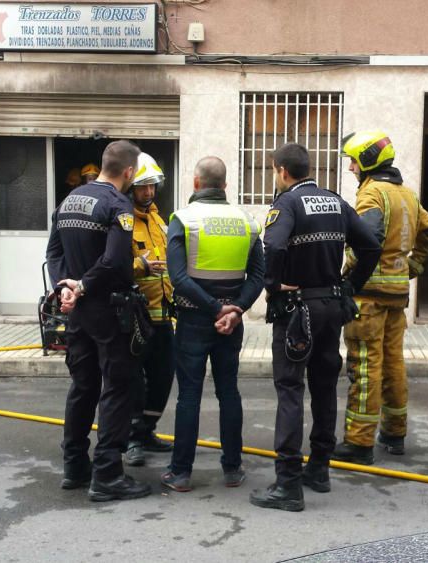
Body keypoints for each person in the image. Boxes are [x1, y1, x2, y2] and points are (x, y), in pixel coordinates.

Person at [250, 143, 381, 512]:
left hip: (297, 311)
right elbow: (370, 246)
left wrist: (273, 284)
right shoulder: (335, 201)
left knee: (290, 389)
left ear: (281, 171)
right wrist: (350, 286)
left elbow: (272, 247)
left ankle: (288, 484)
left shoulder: (286, 203)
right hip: (330, 308)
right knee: (324, 387)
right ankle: (319, 469)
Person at [50, 140, 152, 502]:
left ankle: (75, 466)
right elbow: (115, 262)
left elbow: (54, 253)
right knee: (116, 388)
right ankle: (107, 474)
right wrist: (82, 286)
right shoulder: (117, 204)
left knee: (83, 386)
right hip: (108, 310)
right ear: (128, 172)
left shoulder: (69, 201)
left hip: (77, 312)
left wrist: (65, 287)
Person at [332, 131, 428, 466]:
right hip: (396, 294)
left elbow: (369, 240)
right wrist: (410, 266)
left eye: (353, 161)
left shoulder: (372, 194)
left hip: (369, 299)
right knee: (394, 364)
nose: (350, 167)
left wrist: (347, 281)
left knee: (365, 366)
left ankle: (359, 442)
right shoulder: (407, 195)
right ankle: (394, 434)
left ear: (366, 161)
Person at [161, 156, 265, 493]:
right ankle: (233, 469)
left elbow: (177, 277)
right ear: (224, 186)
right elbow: (258, 276)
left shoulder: (183, 220)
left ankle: (181, 474)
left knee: (189, 395)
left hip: (194, 319)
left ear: (195, 184)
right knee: (229, 392)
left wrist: (212, 308)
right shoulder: (247, 223)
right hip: (231, 324)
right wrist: (233, 311)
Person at [125, 153, 176, 467]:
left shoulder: (159, 220)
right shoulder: (123, 221)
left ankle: (146, 431)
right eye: (142, 187)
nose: (148, 193)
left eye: (152, 186)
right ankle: (131, 438)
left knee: (163, 378)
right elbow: (113, 267)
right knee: (133, 381)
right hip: (135, 319)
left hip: (163, 318)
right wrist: (139, 266)